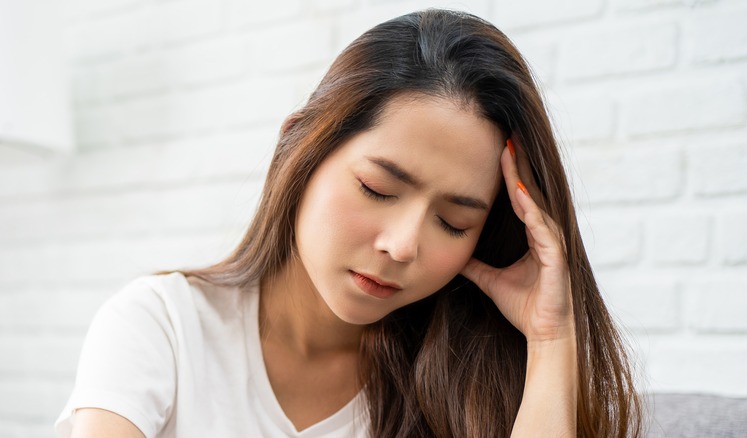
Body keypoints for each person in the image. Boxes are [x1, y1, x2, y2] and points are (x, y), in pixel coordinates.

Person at [56, 8, 643, 438]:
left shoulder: (458, 384)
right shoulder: (163, 327)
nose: (403, 245)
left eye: (453, 222)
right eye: (377, 189)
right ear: (298, 150)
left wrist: (551, 339)